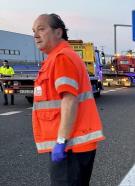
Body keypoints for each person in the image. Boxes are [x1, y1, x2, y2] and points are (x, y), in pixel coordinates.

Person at [32, 13, 105, 185]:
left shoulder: (61, 58)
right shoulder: (58, 57)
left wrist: (61, 141)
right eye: (34, 31)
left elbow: (69, 100)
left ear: (58, 33)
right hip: (72, 143)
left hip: (70, 145)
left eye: (41, 29)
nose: (35, 35)